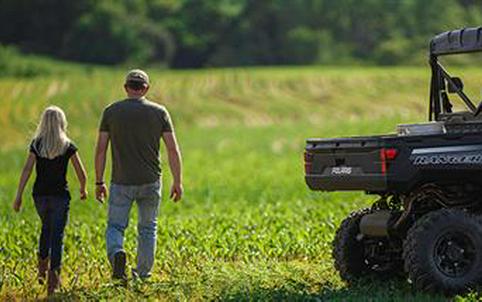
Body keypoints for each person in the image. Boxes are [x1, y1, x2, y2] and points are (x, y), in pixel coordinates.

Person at [95, 69, 183, 282]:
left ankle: (117, 253)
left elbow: (100, 149)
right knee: (147, 228)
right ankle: (142, 274)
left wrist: (99, 181)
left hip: (121, 181)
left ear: (126, 87)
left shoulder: (111, 112)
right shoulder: (160, 112)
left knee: (116, 226)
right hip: (151, 181)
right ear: (146, 88)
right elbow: (172, 149)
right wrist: (177, 181)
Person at [12, 106, 87, 295]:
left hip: (40, 196)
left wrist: (19, 194)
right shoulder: (67, 145)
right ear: (62, 123)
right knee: (57, 236)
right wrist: (83, 188)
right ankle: (53, 283)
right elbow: (81, 171)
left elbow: (27, 170)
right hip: (60, 196)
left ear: (43, 123)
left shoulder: (37, 144)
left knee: (46, 228)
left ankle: (41, 270)